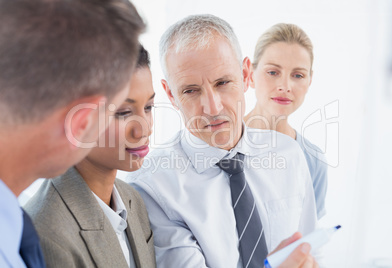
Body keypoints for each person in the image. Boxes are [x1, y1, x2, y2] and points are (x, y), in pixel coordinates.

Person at [127, 14, 319, 268]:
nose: (212, 107)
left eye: (223, 82)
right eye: (191, 91)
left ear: (245, 74)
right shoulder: (153, 186)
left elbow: (309, 251)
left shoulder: (289, 154)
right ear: (171, 95)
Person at [0, 0, 144, 267]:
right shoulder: (42, 228)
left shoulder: (13, 232)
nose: (142, 129)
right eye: (119, 110)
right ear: (81, 124)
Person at [25, 46, 156, 268]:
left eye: (149, 107)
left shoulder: (132, 199)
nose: (144, 130)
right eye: (124, 113)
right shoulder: (48, 233)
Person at [244, 23, 328, 219]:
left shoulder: (313, 160)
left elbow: (307, 235)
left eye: (298, 75)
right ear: (250, 74)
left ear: (309, 81)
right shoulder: (220, 141)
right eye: (273, 72)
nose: (285, 86)